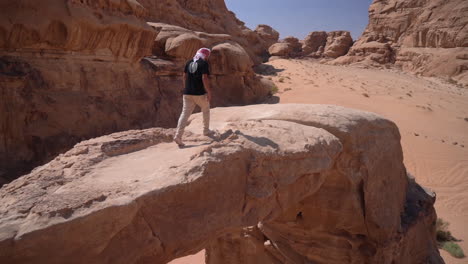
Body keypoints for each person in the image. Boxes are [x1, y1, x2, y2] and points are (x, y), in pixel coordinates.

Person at [173, 48, 213, 147]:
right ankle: (206, 131)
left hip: (187, 93)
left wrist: (185, 87)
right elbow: (204, 78)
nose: (208, 57)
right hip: (199, 93)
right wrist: (208, 91)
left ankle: (178, 135)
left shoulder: (188, 62)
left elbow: (184, 76)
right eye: (207, 55)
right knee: (206, 109)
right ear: (206, 55)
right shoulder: (203, 63)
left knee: (184, 114)